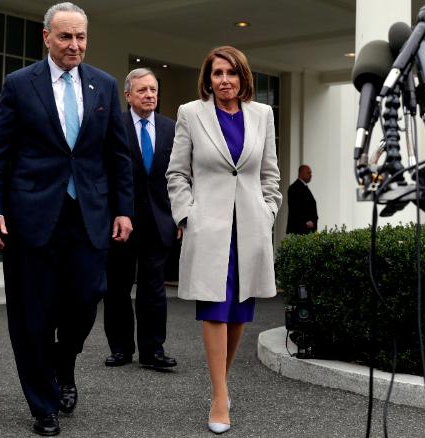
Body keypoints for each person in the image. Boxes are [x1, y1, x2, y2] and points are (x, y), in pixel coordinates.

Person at [0, 3, 133, 436]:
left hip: (89, 215)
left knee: (87, 298)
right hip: (31, 216)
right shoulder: (19, 84)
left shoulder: (103, 85)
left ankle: (63, 365)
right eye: (65, 37)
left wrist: (124, 209)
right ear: (46, 37)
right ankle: (42, 402)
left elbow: (117, 157)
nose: (75, 45)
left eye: (81, 37)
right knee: (31, 314)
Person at [166, 45, 281, 434]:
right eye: (217, 74)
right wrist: (187, 215)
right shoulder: (191, 114)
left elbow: (270, 176)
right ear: (208, 78)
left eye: (231, 73)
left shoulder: (262, 115)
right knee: (214, 309)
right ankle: (219, 397)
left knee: (238, 313)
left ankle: (222, 384)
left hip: (249, 228)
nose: (224, 81)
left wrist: (267, 213)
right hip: (210, 228)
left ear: (243, 77)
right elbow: (177, 173)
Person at [103, 68, 178, 369]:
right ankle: (121, 349)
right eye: (142, 90)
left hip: (159, 220)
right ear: (127, 95)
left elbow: (181, 175)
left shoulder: (171, 128)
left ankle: (152, 351)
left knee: (154, 289)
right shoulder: (114, 125)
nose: (149, 95)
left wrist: (179, 218)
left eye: (153, 90)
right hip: (121, 219)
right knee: (118, 287)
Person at [285, 164, 318, 234]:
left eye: (311, 173)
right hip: (299, 230)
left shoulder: (304, 187)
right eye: (308, 173)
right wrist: (307, 222)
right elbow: (295, 209)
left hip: (306, 231)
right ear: (301, 173)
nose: (311, 175)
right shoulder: (294, 188)